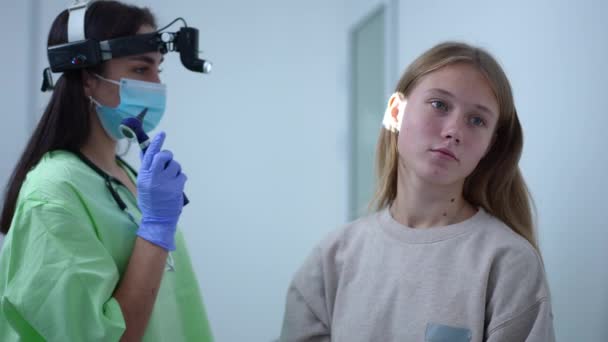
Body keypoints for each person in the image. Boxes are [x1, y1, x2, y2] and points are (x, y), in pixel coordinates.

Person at [280, 42, 555, 341]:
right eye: (440, 105)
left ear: (490, 145)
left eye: (477, 120)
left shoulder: (509, 264)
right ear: (396, 111)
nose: (453, 131)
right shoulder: (331, 260)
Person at [0, 1, 213, 341]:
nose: (157, 84)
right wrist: (156, 227)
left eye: (160, 70)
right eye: (142, 70)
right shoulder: (52, 194)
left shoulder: (126, 176)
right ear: (87, 79)